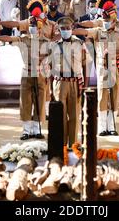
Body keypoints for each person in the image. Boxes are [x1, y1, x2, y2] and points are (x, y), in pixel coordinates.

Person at [73, 0, 119, 136]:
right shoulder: (99, 26)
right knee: (102, 95)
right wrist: (74, 28)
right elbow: (87, 28)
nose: (105, 21)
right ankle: (102, 127)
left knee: (114, 95)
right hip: (102, 66)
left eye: (108, 19)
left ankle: (112, 126)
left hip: (116, 65)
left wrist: (115, 52)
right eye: (104, 18)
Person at [0, 0, 49, 140]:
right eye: (30, 25)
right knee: (25, 101)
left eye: (34, 25)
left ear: (39, 27)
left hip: (40, 73)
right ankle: (26, 130)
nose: (31, 27)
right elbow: (10, 38)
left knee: (39, 100)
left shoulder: (45, 41)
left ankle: (37, 129)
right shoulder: (24, 39)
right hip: (26, 72)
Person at [48, 17, 85, 147]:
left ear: (72, 29)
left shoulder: (80, 44)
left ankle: (73, 144)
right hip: (59, 83)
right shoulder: (54, 46)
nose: (65, 31)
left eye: (68, 28)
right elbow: (50, 68)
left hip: (75, 82)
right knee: (60, 115)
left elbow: (85, 65)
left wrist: (84, 85)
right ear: (59, 30)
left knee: (74, 115)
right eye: (62, 29)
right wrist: (50, 89)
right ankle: (61, 144)